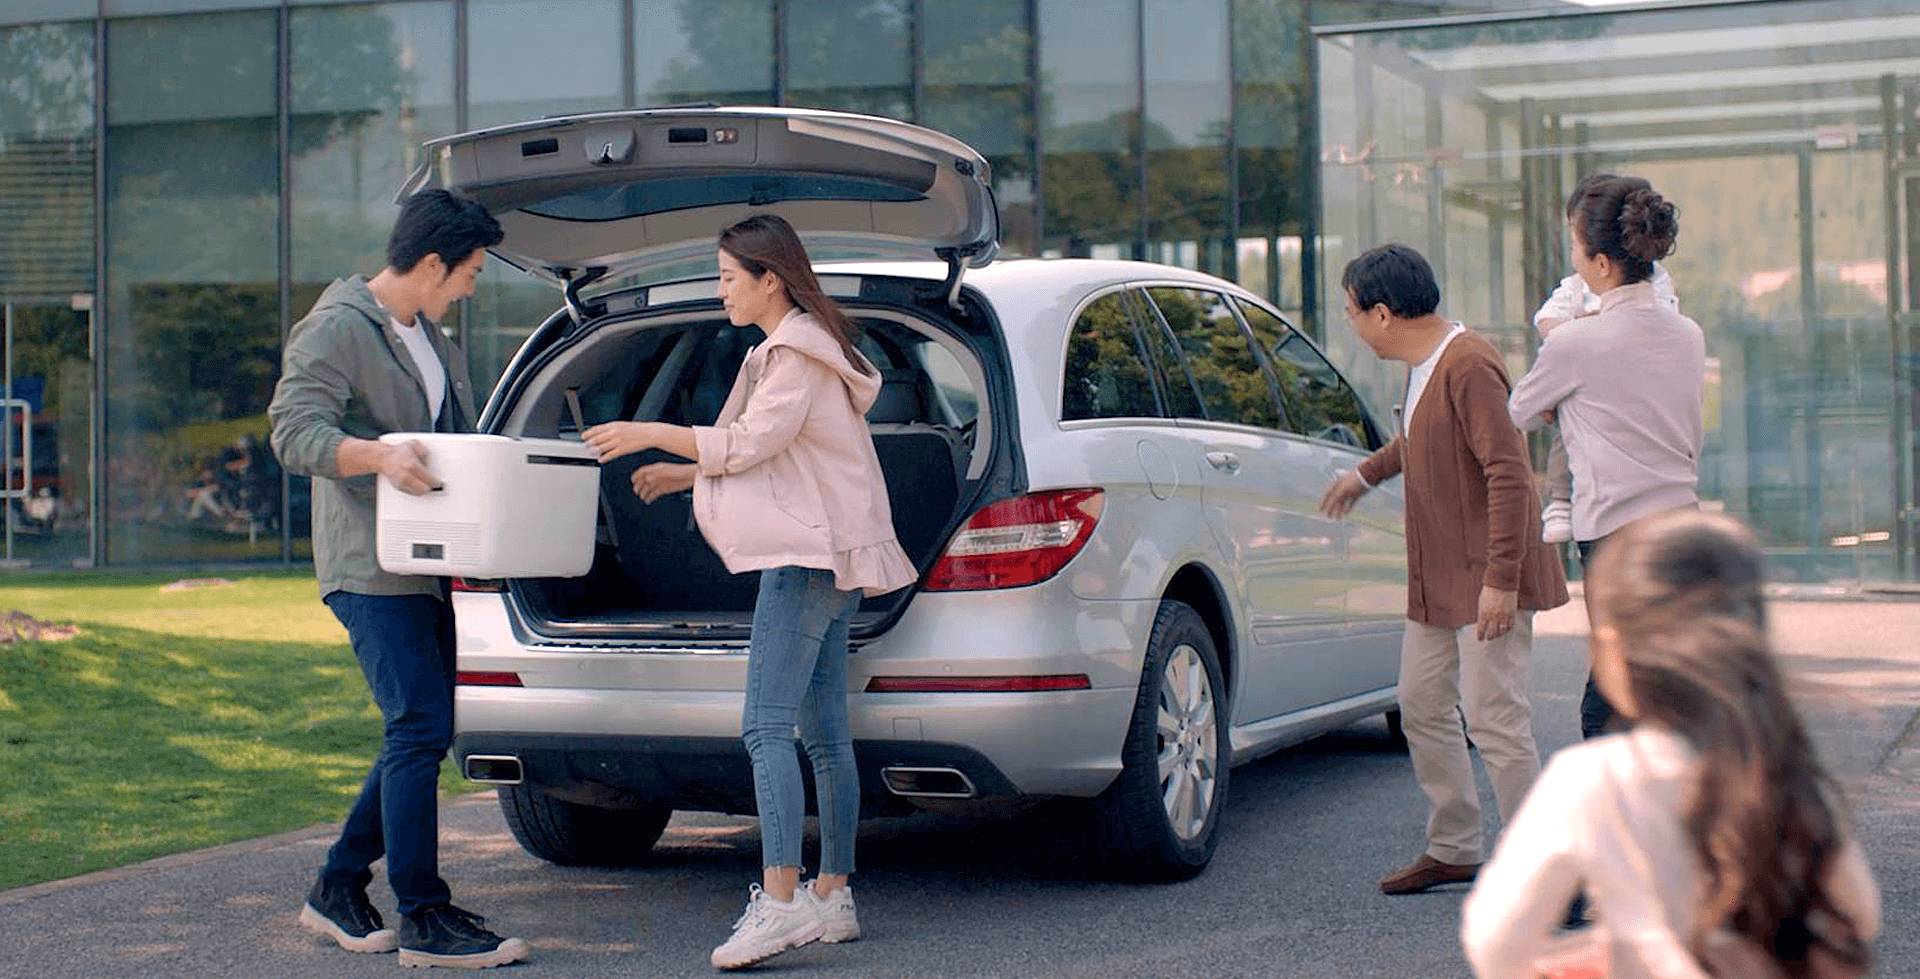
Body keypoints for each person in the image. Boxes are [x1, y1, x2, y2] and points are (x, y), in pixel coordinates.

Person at [582, 213, 916, 971]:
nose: (721, 290)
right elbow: (777, 452)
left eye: (729, 277)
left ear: (770, 278)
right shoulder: (805, 349)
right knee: (825, 735)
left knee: (765, 727)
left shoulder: (795, 356)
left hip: (807, 560)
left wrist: (648, 431)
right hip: (833, 555)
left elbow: (747, 443)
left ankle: (782, 902)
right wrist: (683, 474)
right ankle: (832, 894)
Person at [269, 189, 530, 968]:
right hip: (367, 565)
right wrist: (377, 455)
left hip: (428, 565)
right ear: (432, 263)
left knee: (424, 728)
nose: (472, 287)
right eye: (471, 273)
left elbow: (458, 445)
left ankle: (338, 883)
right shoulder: (338, 327)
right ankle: (423, 913)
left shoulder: (431, 338)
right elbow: (293, 431)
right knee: (417, 725)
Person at [1460, 510, 1881, 979]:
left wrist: (1605, 954)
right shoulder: (1781, 765)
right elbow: (1859, 912)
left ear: (1612, 649)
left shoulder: (1590, 779)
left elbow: (1496, 942)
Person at [1320, 244, 1569, 896]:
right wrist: (1365, 475)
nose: (1350, 323)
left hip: (1486, 574)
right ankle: (1455, 847)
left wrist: (1501, 582)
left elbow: (1509, 472)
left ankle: (1552, 875)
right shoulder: (1427, 364)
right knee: (1423, 703)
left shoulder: (1468, 364)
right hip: (1440, 578)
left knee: (1495, 720)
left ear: (1381, 313)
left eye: (1350, 311)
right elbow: (1420, 438)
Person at [1508, 174, 1705, 740]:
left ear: (1599, 264)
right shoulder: (1688, 333)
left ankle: (1622, 795)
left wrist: (1566, 404)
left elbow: (1520, 410)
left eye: (1575, 245)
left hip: (1615, 534)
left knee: (1611, 698)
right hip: (1682, 525)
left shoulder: (1573, 342)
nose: (1571, 257)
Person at [1531, 188, 1680, 546]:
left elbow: (1653, 324)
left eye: (1576, 239)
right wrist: (1585, 335)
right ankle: (1561, 499)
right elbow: (1546, 321)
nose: (1574, 252)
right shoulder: (1574, 287)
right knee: (1568, 428)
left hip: (1631, 394)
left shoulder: (1655, 283)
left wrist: (1590, 331)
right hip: (1588, 386)